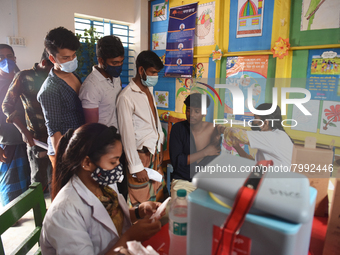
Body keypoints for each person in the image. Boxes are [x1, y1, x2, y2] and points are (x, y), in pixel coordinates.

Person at [39, 123, 162, 254]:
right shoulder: (64, 212)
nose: (118, 167)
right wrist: (130, 237)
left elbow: (109, 217)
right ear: (87, 163)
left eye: (119, 161)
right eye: (113, 162)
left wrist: (139, 211)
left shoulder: (103, 183)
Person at [116, 50, 165, 207]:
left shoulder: (148, 90)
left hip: (154, 152)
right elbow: (127, 136)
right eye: (152, 72)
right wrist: (136, 167)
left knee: (157, 198)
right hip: (140, 156)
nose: (155, 77)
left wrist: (160, 142)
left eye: (157, 73)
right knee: (142, 203)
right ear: (141, 70)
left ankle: (156, 231)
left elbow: (154, 121)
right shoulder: (126, 97)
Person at [2, 49, 53, 193]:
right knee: (38, 183)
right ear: (44, 62)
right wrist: (24, 131)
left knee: (56, 180)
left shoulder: (57, 76)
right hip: (36, 140)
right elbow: (6, 105)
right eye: (53, 67)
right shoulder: (24, 76)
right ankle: (39, 214)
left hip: (57, 138)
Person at [37, 27, 85, 170]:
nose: (71, 60)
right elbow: (54, 129)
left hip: (80, 145)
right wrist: (64, 161)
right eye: (65, 57)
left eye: (73, 55)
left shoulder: (74, 75)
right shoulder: (50, 89)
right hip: (65, 152)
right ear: (52, 58)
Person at [169, 93, 223, 197]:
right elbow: (177, 161)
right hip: (183, 182)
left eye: (197, 111)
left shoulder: (213, 130)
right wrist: (205, 152)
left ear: (204, 113)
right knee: (178, 209)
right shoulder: (178, 129)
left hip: (206, 183)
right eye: (188, 110)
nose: (191, 114)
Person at [0, 44, 30, 206]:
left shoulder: (22, 79)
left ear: (15, 58)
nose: (6, 60)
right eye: (1, 57)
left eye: (9, 56)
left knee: (29, 181)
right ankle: (11, 216)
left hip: (29, 138)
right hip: (8, 140)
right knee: (11, 182)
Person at [225, 103, 294, 167]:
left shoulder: (272, 137)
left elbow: (234, 132)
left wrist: (220, 129)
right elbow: (254, 163)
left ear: (265, 123)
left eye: (255, 118)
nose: (253, 122)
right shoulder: (278, 136)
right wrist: (236, 146)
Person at [79, 35, 124, 128]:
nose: (119, 66)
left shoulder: (116, 78)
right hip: (104, 140)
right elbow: (92, 128)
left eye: (121, 61)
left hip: (118, 137)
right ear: (101, 60)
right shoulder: (91, 86)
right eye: (114, 63)